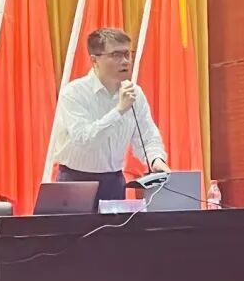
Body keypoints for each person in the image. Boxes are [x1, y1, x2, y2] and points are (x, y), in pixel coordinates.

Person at [52, 27, 169, 205]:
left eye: (127, 54)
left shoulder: (135, 93)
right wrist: (119, 111)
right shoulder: (74, 93)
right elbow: (84, 139)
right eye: (116, 55)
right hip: (75, 181)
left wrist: (156, 159)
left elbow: (147, 136)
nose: (125, 61)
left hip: (114, 182)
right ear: (94, 60)